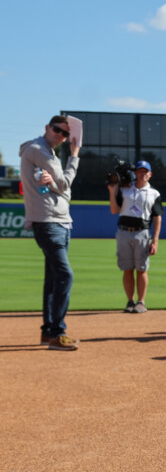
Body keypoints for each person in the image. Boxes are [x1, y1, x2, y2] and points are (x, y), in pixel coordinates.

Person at [20, 115, 82, 351]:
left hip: (59, 222)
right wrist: (75, 155)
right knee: (65, 275)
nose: (60, 135)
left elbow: (56, 187)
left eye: (65, 134)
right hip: (49, 222)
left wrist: (52, 184)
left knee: (53, 279)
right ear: (47, 127)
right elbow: (66, 184)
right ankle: (57, 332)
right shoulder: (39, 149)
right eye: (57, 130)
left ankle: (48, 332)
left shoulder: (47, 153)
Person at [107, 160, 163, 314]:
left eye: (146, 171)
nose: (142, 174)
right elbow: (114, 210)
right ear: (135, 173)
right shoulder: (125, 190)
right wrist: (112, 192)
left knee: (141, 269)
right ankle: (130, 301)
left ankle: (141, 302)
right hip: (123, 231)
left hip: (142, 232)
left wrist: (155, 241)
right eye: (140, 171)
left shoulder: (154, 193)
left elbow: (157, 217)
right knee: (127, 269)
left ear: (150, 175)